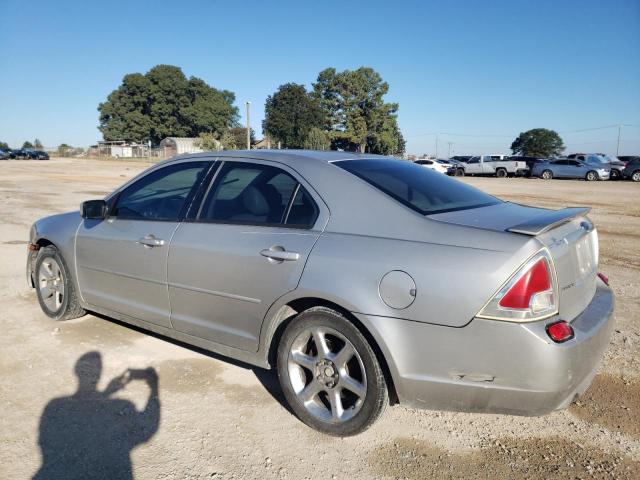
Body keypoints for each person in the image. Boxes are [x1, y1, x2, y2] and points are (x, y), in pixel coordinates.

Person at [34, 351, 160, 479]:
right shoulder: (123, 405)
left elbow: (46, 443)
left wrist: (106, 393)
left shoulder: (55, 405)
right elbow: (147, 431)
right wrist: (154, 387)